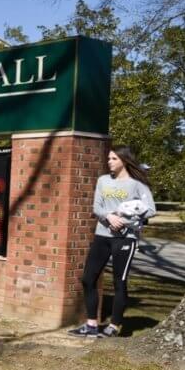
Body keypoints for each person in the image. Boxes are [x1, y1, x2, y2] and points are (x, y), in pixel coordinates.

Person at [68, 145, 157, 338]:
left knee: (119, 282)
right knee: (88, 279)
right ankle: (91, 325)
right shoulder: (103, 181)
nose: (109, 161)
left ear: (124, 161)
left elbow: (150, 210)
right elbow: (97, 207)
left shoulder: (137, 184)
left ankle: (114, 326)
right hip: (102, 235)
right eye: (109, 158)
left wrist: (124, 220)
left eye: (114, 159)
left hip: (125, 238)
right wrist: (109, 216)